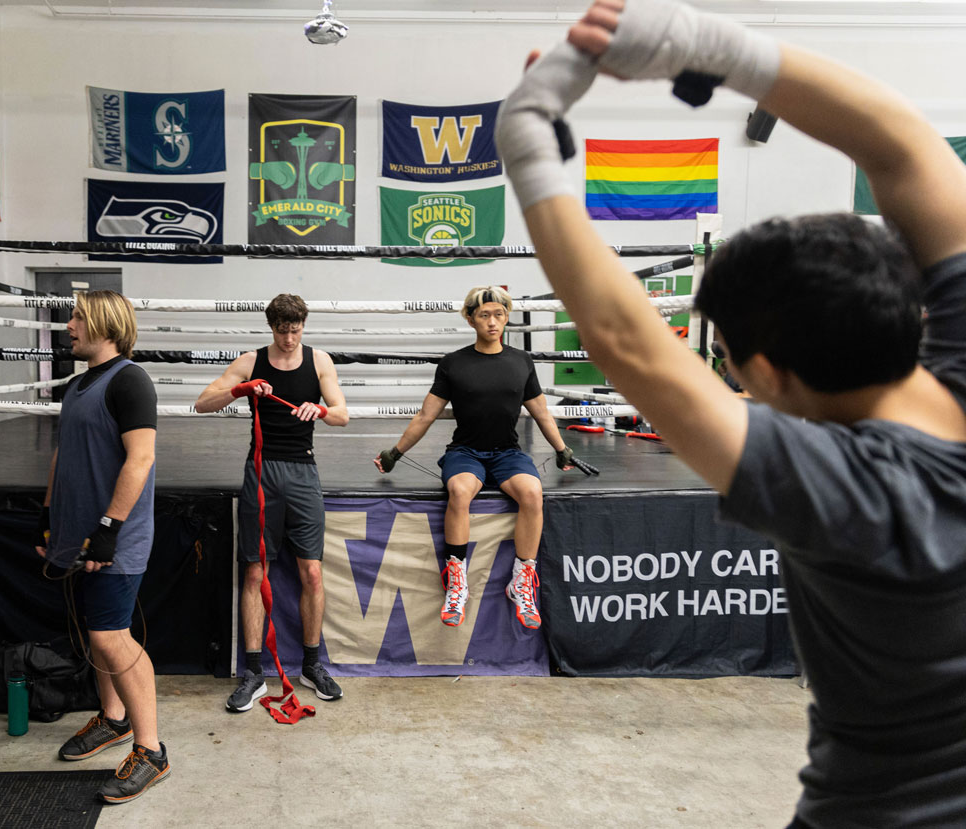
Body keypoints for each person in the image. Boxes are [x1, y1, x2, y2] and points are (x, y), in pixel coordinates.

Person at [495, 0, 966, 823]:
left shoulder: (855, 491)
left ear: (764, 373)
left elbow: (625, 341)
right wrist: (711, 46)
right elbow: (906, 145)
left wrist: (529, 139)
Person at [374, 285, 587, 630]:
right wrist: (395, 453)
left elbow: (542, 413)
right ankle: (457, 581)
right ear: (471, 318)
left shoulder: (521, 361)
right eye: (485, 315)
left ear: (507, 319)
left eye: (499, 315)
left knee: (532, 493)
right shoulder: (453, 363)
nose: (492, 321)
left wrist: (562, 449)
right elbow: (425, 416)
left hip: (507, 453)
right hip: (466, 452)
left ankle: (521, 582)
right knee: (459, 490)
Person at [36, 290, 168, 805]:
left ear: (104, 324)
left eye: (76, 317)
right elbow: (64, 454)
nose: (68, 325)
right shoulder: (77, 385)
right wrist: (46, 517)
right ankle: (113, 718)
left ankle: (151, 750)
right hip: (77, 536)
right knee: (97, 635)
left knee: (112, 637)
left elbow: (141, 459)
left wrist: (110, 527)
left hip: (115, 537)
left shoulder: (129, 380)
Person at [195, 293, 349, 712]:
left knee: (312, 573)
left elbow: (342, 414)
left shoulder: (319, 361)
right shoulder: (250, 361)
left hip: (303, 472)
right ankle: (252, 673)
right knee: (253, 572)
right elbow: (202, 402)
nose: (289, 338)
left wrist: (318, 410)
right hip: (261, 472)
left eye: (296, 330)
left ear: (303, 326)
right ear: (272, 328)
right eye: (282, 331)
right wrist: (240, 389)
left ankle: (313, 665)